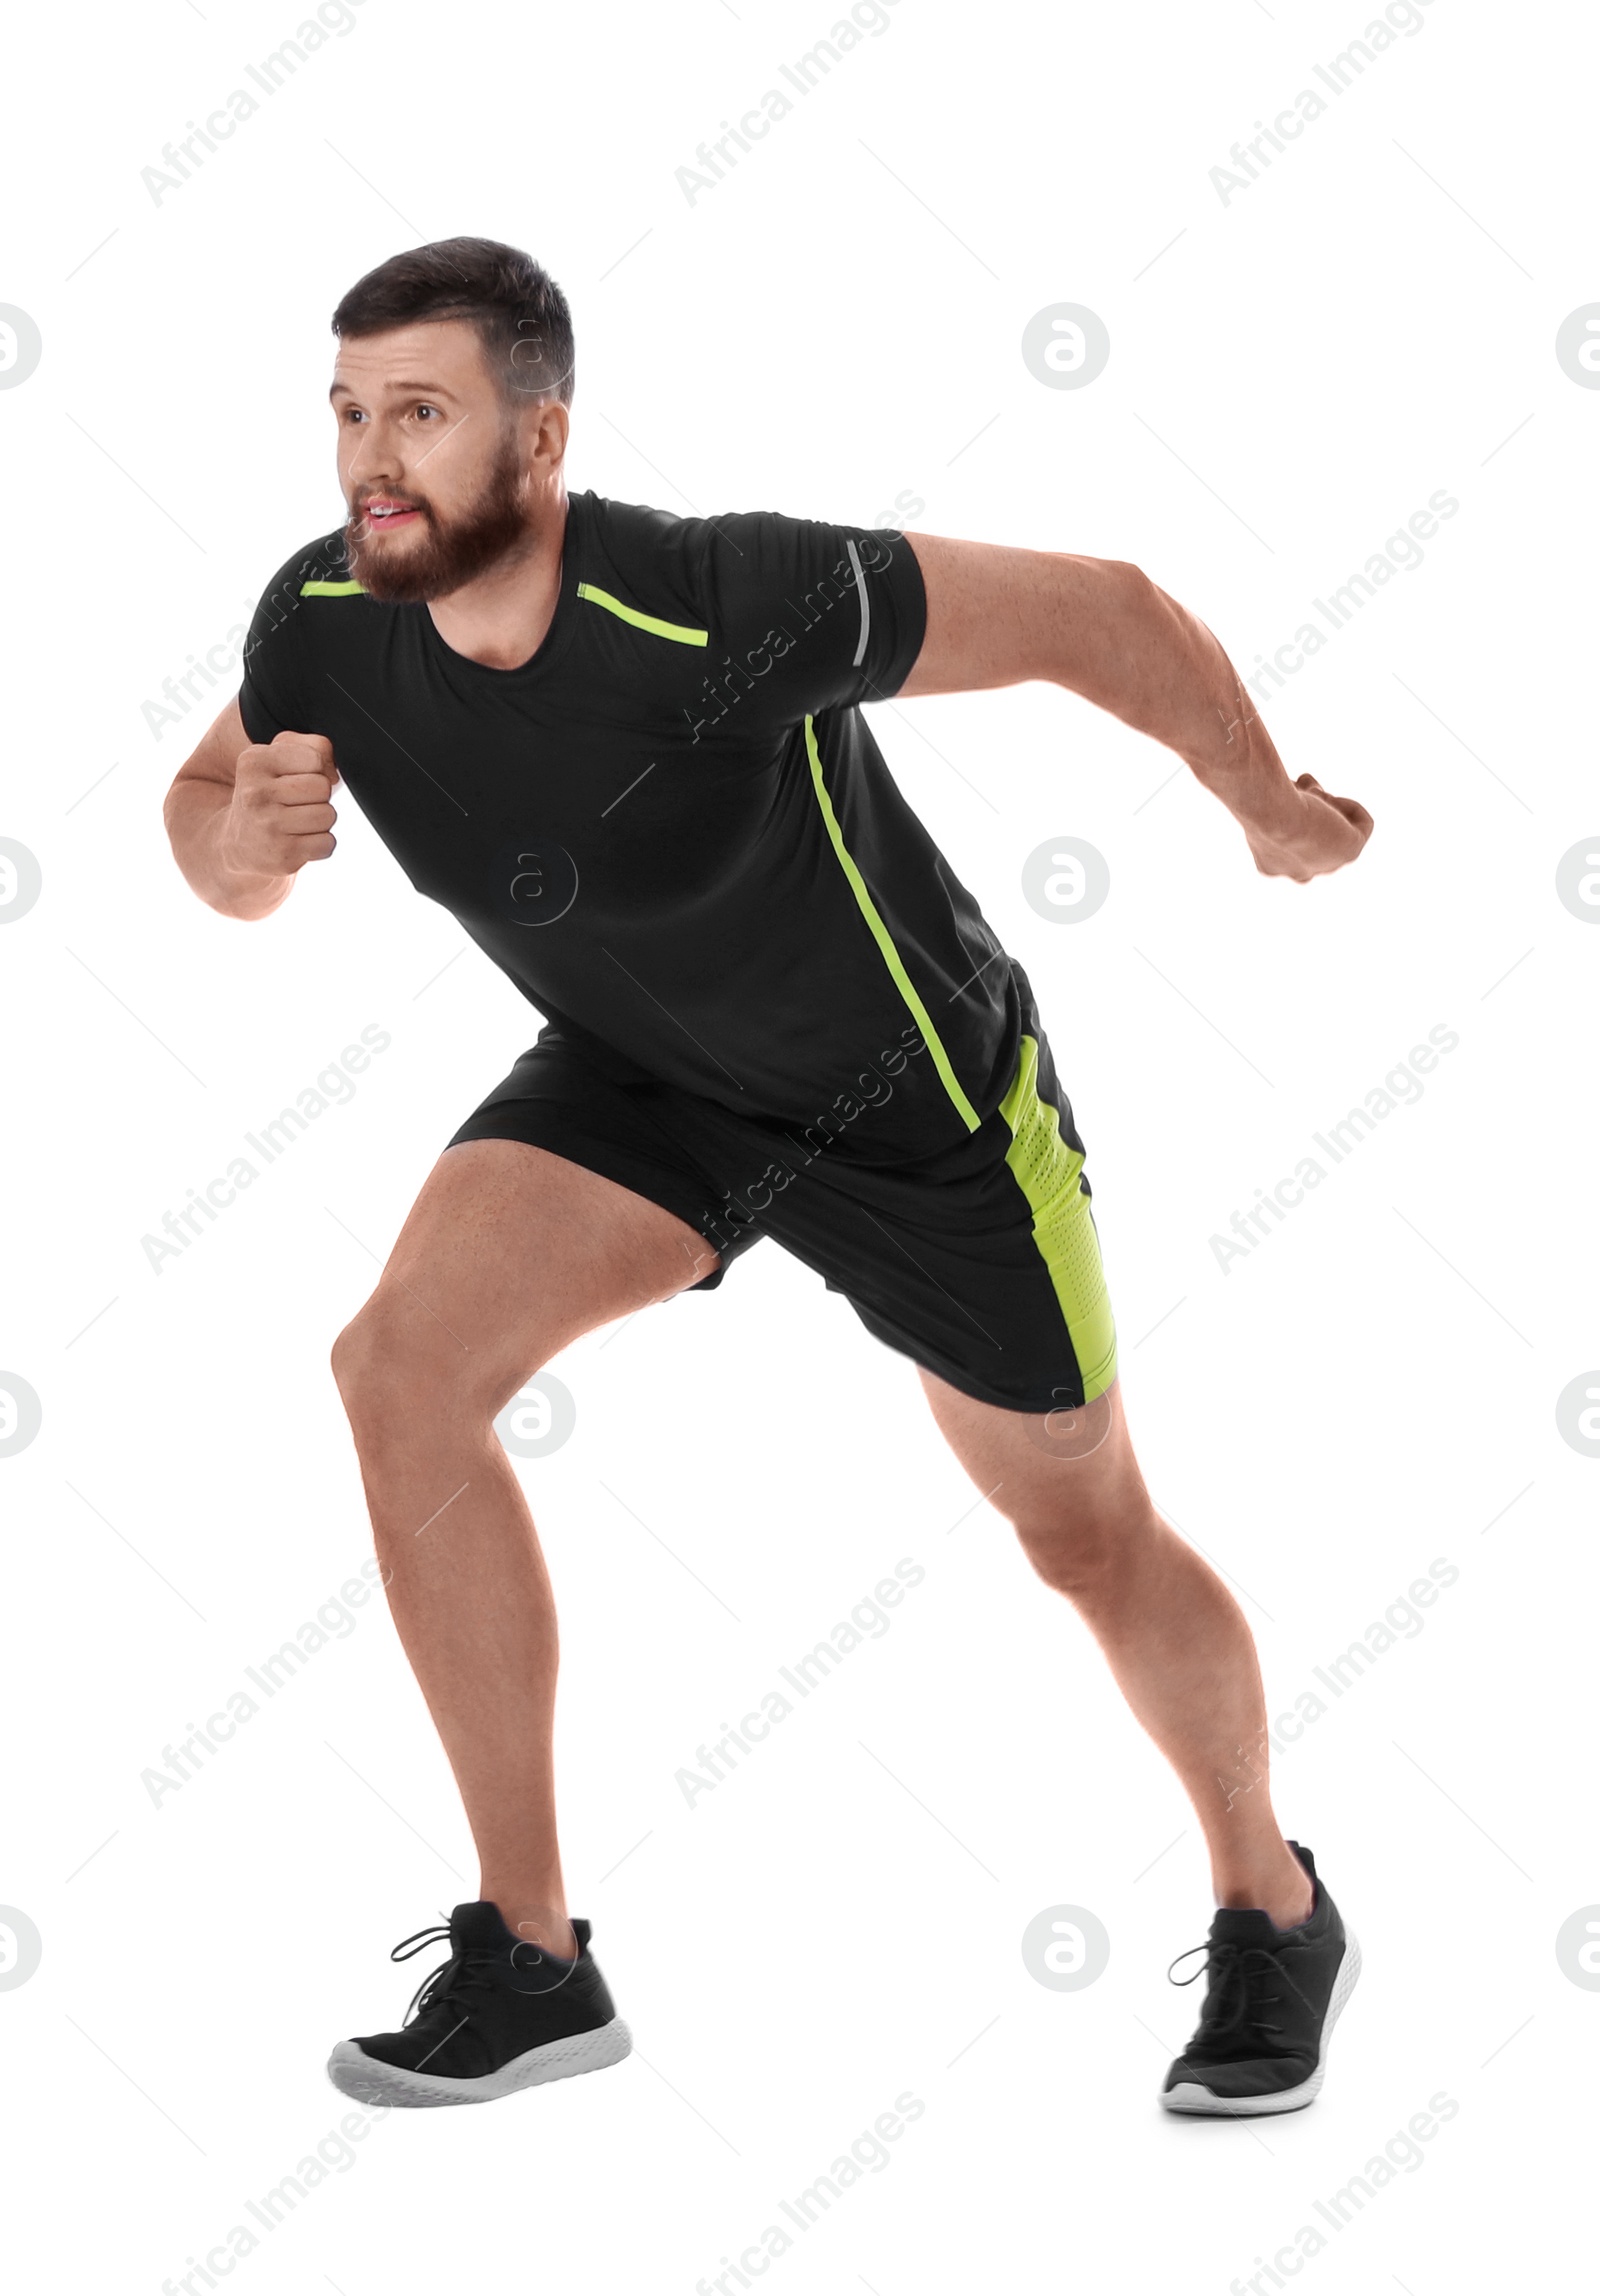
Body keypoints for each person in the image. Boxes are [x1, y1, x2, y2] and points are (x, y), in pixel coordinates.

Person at [162, 237, 1372, 2118]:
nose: (368, 461)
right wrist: (243, 843)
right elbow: (211, 825)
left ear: (541, 435)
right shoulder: (326, 618)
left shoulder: (719, 596)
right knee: (397, 1370)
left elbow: (1103, 610)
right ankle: (536, 1956)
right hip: (642, 1083)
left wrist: (1273, 807)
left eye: (419, 412)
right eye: (344, 412)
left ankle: (1272, 1904)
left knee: (1082, 1532)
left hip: (917, 1107)